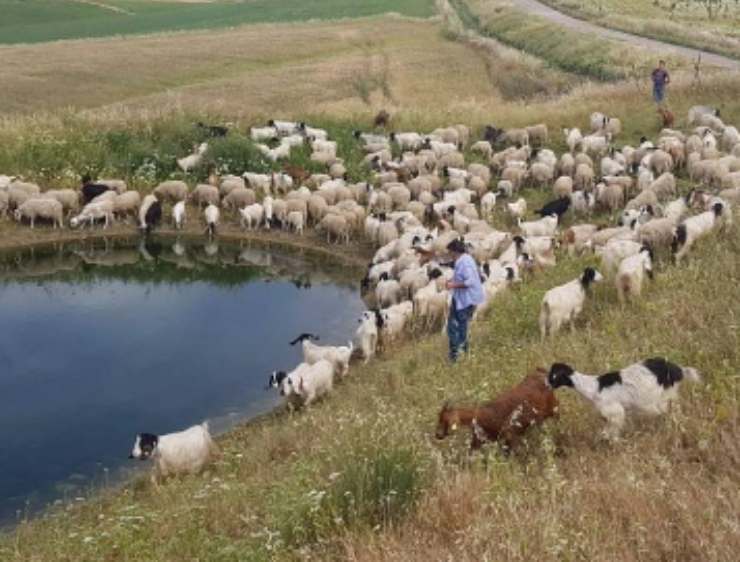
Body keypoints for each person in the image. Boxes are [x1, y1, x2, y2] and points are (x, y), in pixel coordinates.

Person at [445, 239, 484, 362]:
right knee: (456, 326)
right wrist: (453, 280)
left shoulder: (465, 262)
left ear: (455, 251)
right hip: (461, 298)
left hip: (466, 300)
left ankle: (458, 355)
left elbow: (469, 281)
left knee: (457, 327)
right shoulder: (463, 260)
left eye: (450, 252)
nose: (449, 254)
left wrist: (453, 285)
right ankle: (459, 353)